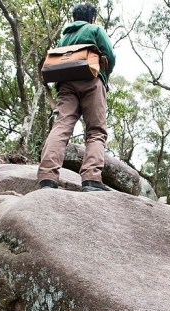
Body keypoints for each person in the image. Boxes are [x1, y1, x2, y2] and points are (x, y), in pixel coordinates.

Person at [38, 3, 116, 192]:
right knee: (96, 131)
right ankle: (90, 179)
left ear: (74, 18)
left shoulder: (64, 37)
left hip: (65, 85)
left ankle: (47, 178)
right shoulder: (95, 29)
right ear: (92, 18)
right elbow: (110, 55)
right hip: (91, 80)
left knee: (61, 126)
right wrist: (104, 76)